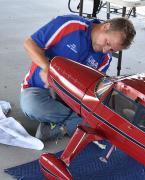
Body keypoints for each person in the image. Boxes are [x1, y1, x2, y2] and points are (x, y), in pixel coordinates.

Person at [20, 14, 136, 142]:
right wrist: (46, 67)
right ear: (106, 26)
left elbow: (92, 90)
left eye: (111, 49)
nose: (105, 50)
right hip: (39, 88)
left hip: (70, 99)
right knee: (31, 107)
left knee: (105, 115)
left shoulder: (105, 58)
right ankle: (70, 126)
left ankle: (59, 125)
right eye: (107, 42)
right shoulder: (70, 25)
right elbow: (29, 43)